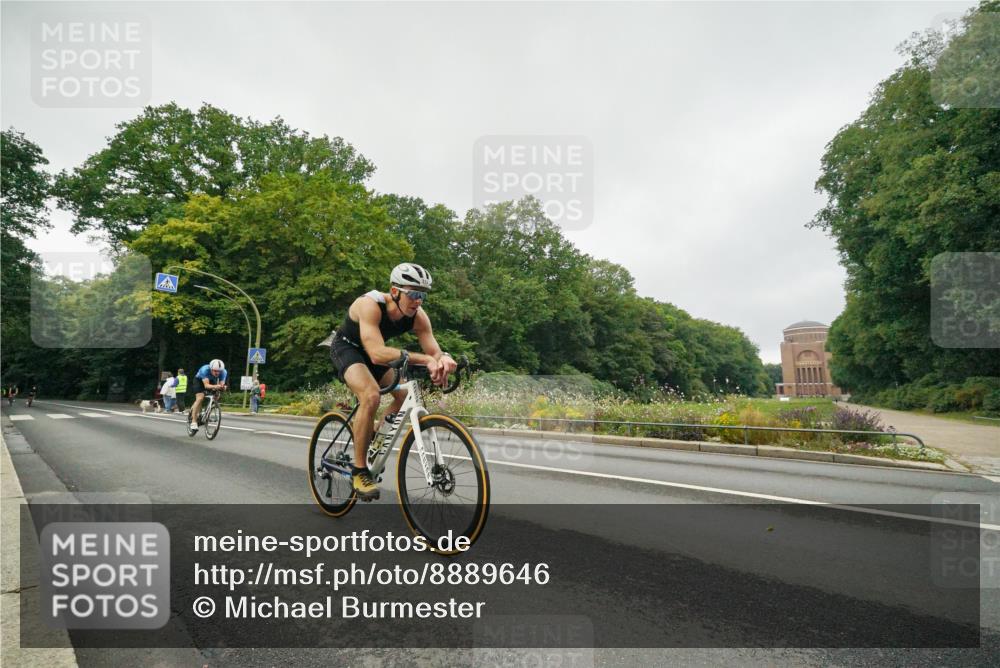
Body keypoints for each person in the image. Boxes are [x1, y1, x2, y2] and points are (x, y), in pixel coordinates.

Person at [329, 263, 457, 500]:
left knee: (403, 395)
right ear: (395, 291)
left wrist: (444, 359)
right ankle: (359, 471)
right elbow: (377, 353)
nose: (418, 301)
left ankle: (375, 435)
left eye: (423, 295)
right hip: (348, 349)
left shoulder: (418, 317)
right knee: (371, 396)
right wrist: (425, 359)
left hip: (376, 353)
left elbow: (434, 351)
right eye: (414, 294)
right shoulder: (370, 305)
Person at [188, 360, 228, 433]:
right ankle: (193, 421)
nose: (217, 373)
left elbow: (221, 384)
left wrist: (223, 387)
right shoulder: (205, 370)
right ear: (211, 369)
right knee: (200, 398)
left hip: (211, 380)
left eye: (219, 371)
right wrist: (216, 386)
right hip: (199, 381)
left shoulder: (224, 372)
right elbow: (206, 386)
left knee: (217, 395)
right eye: (215, 371)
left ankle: (207, 411)